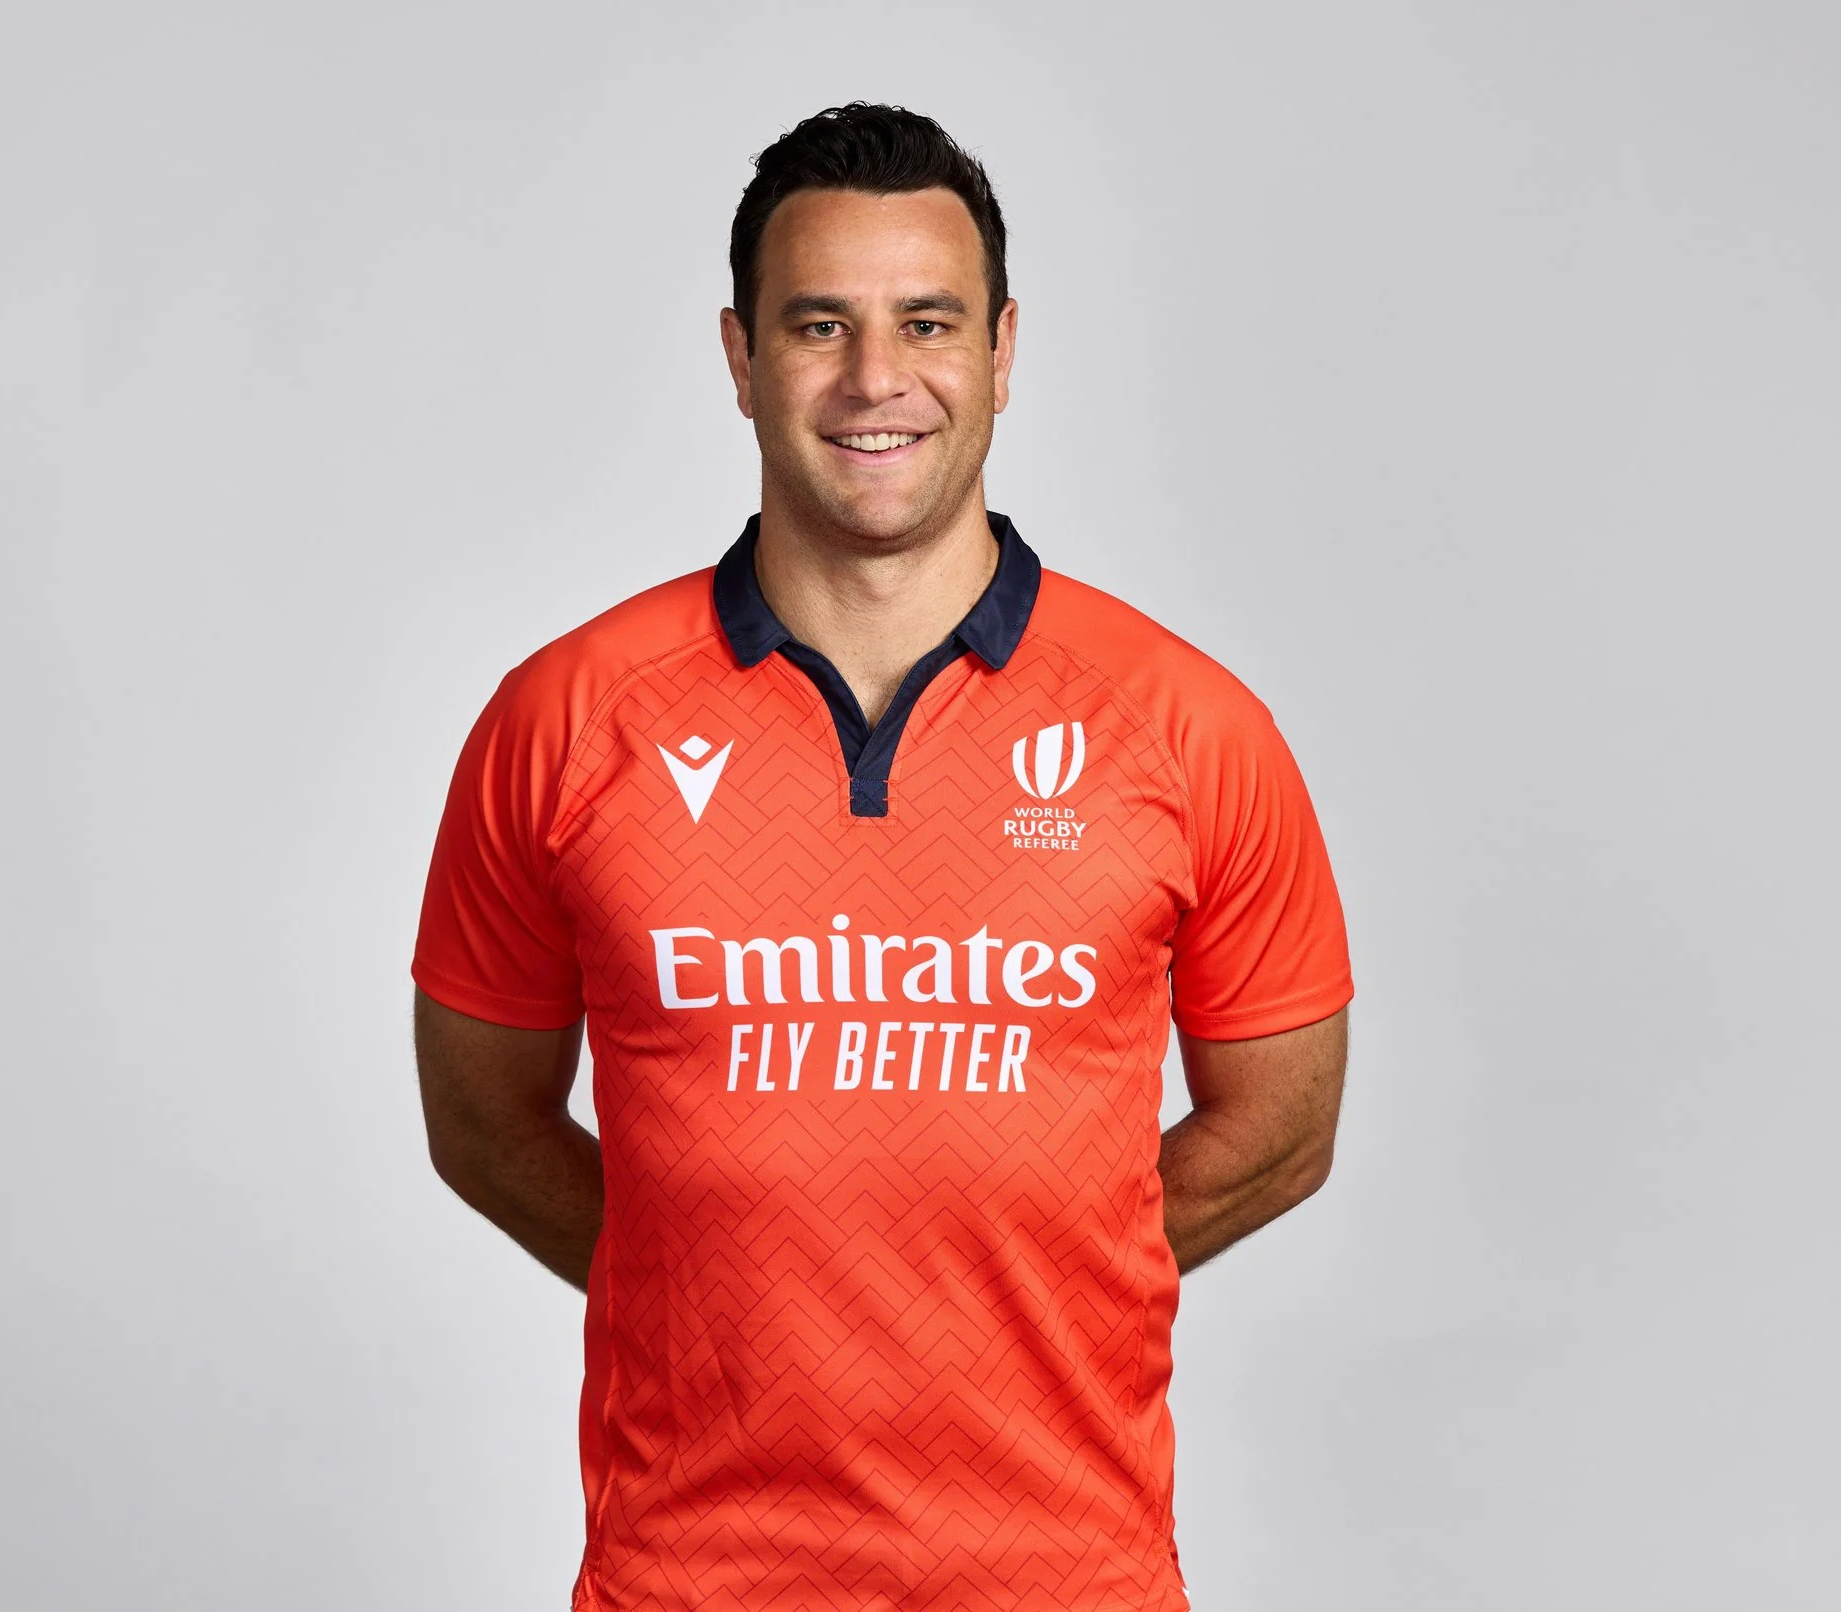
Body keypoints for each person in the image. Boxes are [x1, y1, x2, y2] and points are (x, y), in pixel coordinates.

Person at [412, 102, 1352, 1611]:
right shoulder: (567, 719)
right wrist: (714, 1295)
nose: (876, 379)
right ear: (739, 357)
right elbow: (481, 1123)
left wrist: (1031, 1275)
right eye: (818, 325)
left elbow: (1285, 1131)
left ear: (1001, 351)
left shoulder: (1186, 728)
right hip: (688, 1580)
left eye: (928, 321)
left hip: (1069, 1577)